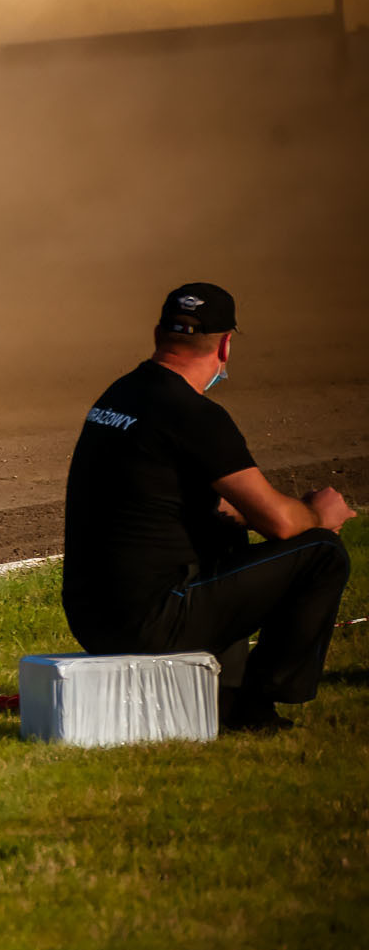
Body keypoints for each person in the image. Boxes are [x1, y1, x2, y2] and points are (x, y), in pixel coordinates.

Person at [62, 283, 352, 732]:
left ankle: (223, 693)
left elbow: (184, 499)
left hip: (92, 616)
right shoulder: (193, 414)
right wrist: (319, 515)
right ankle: (256, 705)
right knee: (322, 553)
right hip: (154, 621)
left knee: (224, 531)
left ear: (158, 333)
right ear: (225, 345)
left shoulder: (119, 395)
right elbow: (279, 523)